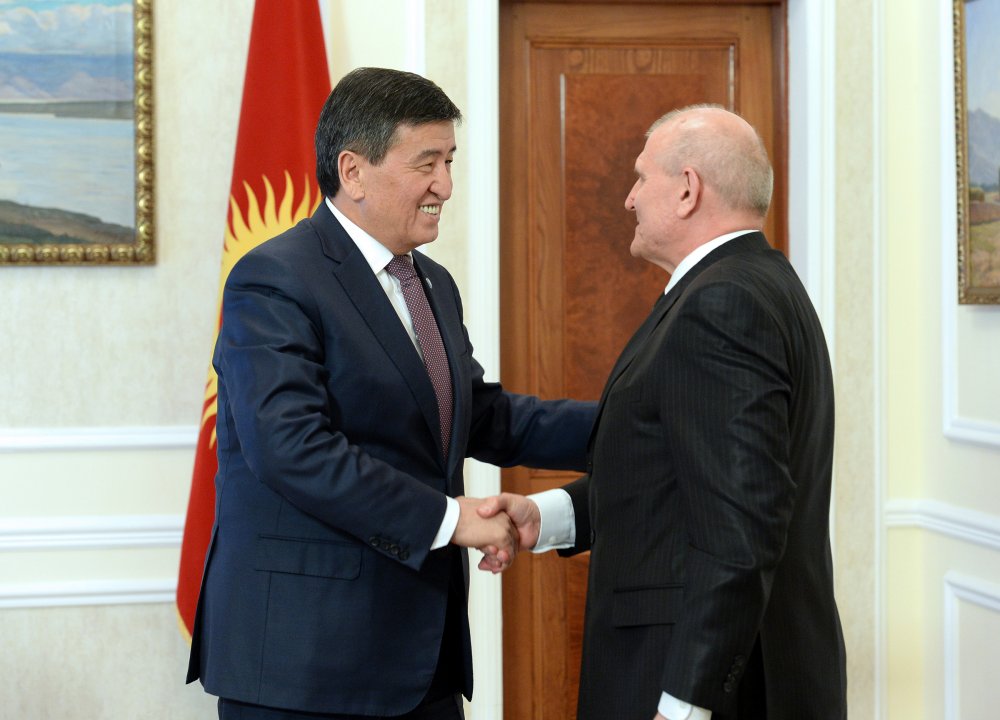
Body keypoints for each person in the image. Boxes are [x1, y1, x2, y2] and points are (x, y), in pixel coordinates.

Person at [186, 67, 596, 720]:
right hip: (306, 668)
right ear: (353, 171)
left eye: (449, 161)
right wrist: (452, 519)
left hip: (420, 662)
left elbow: (480, 417)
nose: (445, 186)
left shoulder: (431, 282)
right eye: (426, 163)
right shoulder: (273, 279)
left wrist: (635, 424)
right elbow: (292, 448)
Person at [478, 105, 848, 719]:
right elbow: (684, 480)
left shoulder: (721, 304)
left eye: (641, 177)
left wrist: (683, 704)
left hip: (697, 681)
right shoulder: (759, 282)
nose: (629, 198)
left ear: (687, 190)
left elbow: (742, 526)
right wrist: (548, 516)